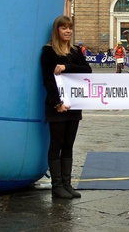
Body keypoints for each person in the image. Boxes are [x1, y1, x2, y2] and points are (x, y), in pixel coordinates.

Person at [40, 15, 92, 199]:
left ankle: (67, 184)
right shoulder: (48, 51)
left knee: (69, 144)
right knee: (57, 144)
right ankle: (57, 186)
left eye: (70, 28)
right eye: (64, 28)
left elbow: (87, 70)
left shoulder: (76, 51)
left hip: (74, 105)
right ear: (57, 30)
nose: (68, 31)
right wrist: (56, 103)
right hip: (57, 106)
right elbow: (47, 79)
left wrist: (66, 66)